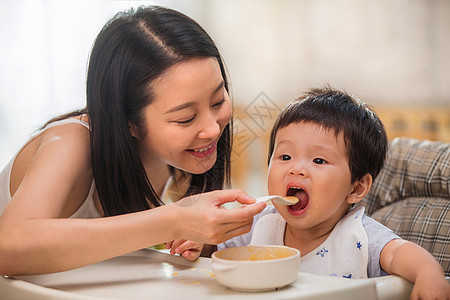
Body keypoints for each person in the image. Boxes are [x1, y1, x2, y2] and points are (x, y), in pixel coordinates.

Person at [0, 6, 266, 276]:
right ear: (128, 122)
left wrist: (198, 238)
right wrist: (173, 220)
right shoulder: (70, 142)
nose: (211, 129)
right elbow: (6, 249)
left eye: (218, 100)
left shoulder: (179, 156)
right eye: (186, 118)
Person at [218, 87, 450, 299]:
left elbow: (399, 252)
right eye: (285, 157)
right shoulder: (260, 224)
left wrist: (428, 273)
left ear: (357, 188)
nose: (296, 169)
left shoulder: (359, 236)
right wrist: (199, 243)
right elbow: (215, 252)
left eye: (318, 160)